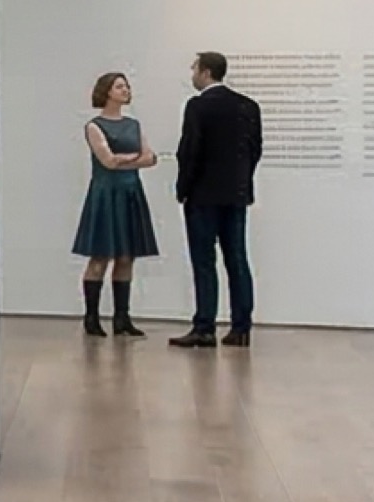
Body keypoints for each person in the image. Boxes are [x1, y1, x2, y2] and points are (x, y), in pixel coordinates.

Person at [170, 51, 262, 349]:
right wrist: (241, 182)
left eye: (194, 68)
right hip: (236, 194)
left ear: (206, 72)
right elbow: (255, 150)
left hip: (203, 195)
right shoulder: (248, 106)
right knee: (237, 259)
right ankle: (241, 327)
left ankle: (204, 326)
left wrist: (183, 188)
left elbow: (190, 151)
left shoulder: (198, 106)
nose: (192, 73)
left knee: (204, 261)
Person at [71, 71, 160, 337]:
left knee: (126, 256)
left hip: (130, 192)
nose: (125, 90)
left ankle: (122, 318)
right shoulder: (94, 125)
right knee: (100, 256)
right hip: (105, 194)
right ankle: (91, 317)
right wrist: (135, 158)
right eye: (120, 86)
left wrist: (125, 159)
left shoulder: (134, 124)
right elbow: (107, 161)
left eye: (127, 86)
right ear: (107, 91)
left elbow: (151, 157)